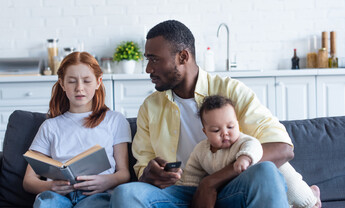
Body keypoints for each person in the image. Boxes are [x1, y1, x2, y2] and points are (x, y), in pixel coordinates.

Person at [110, 20, 318, 208]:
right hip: (178, 193)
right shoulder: (150, 106)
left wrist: (211, 182)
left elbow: (282, 148)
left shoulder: (232, 91)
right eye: (148, 60)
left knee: (266, 172)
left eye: (154, 60)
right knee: (126, 195)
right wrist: (149, 174)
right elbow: (142, 166)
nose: (148, 69)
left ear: (183, 56)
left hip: (232, 187)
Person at [23, 51, 132, 208]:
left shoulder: (114, 120)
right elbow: (29, 180)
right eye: (72, 81)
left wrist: (106, 181)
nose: (79, 88)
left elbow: (124, 173)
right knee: (48, 203)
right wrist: (49, 187)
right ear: (62, 84)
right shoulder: (50, 126)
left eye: (87, 81)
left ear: (98, 82)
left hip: (97, 194)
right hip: (57, 195)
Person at [180, 95, 320, 208]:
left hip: (279, 171)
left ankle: (313, 199)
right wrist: (188, 189)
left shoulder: (241, 141)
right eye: (216, 130)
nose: (225, 133)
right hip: (250, 187)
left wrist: (245, 158)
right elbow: (192, 173)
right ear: (205, 132)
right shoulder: (200, 151)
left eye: (230, 126)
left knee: (298, 192)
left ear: (238, 125)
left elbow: (254, 145)